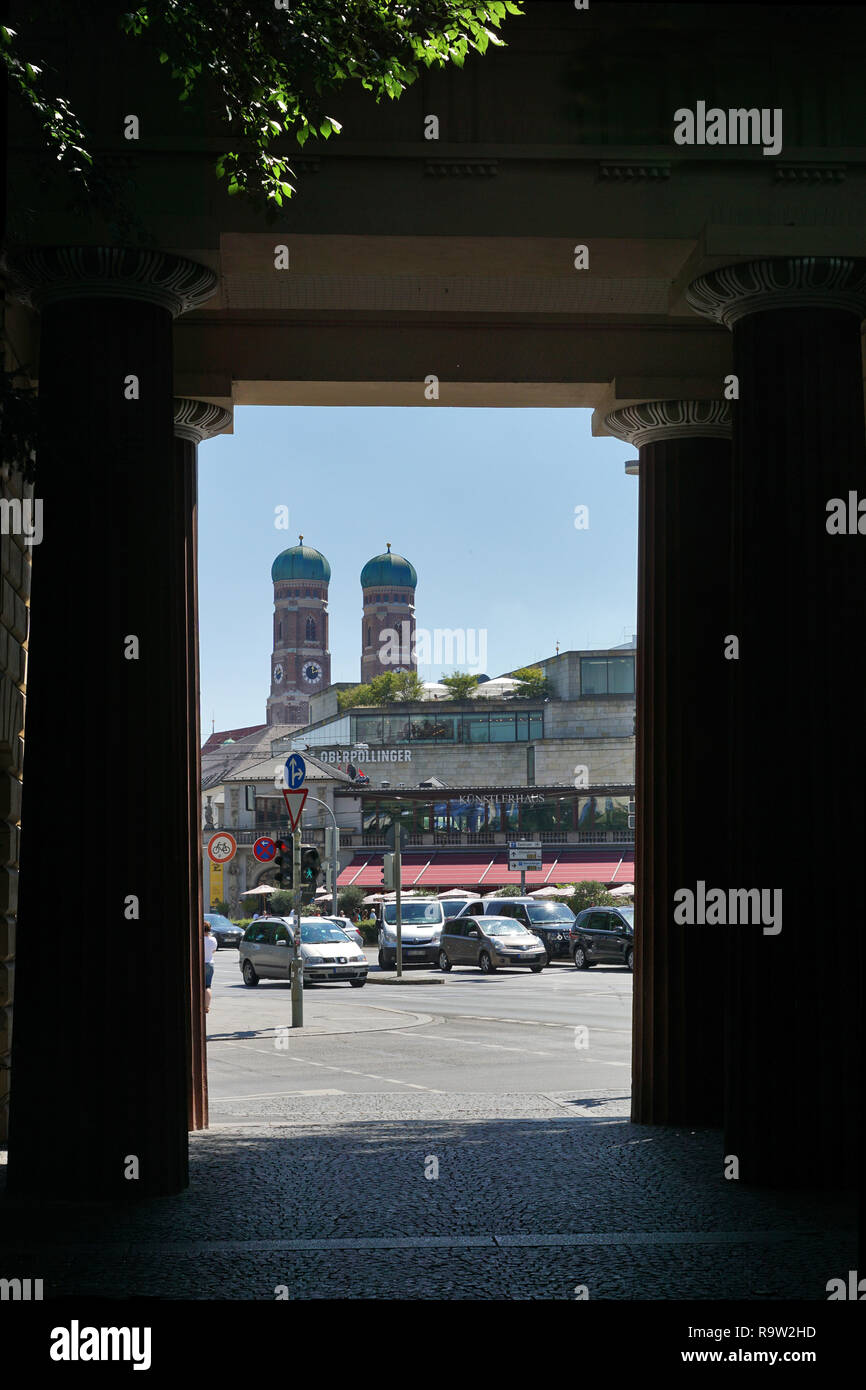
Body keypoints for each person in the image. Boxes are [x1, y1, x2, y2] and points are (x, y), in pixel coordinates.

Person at [203, 922, 218, 1014]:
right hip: (209, 963)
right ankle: (207, 1006)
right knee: (207, 986)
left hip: (199, 964)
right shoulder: (213, 939)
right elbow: (213, 951)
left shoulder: (199, 939)